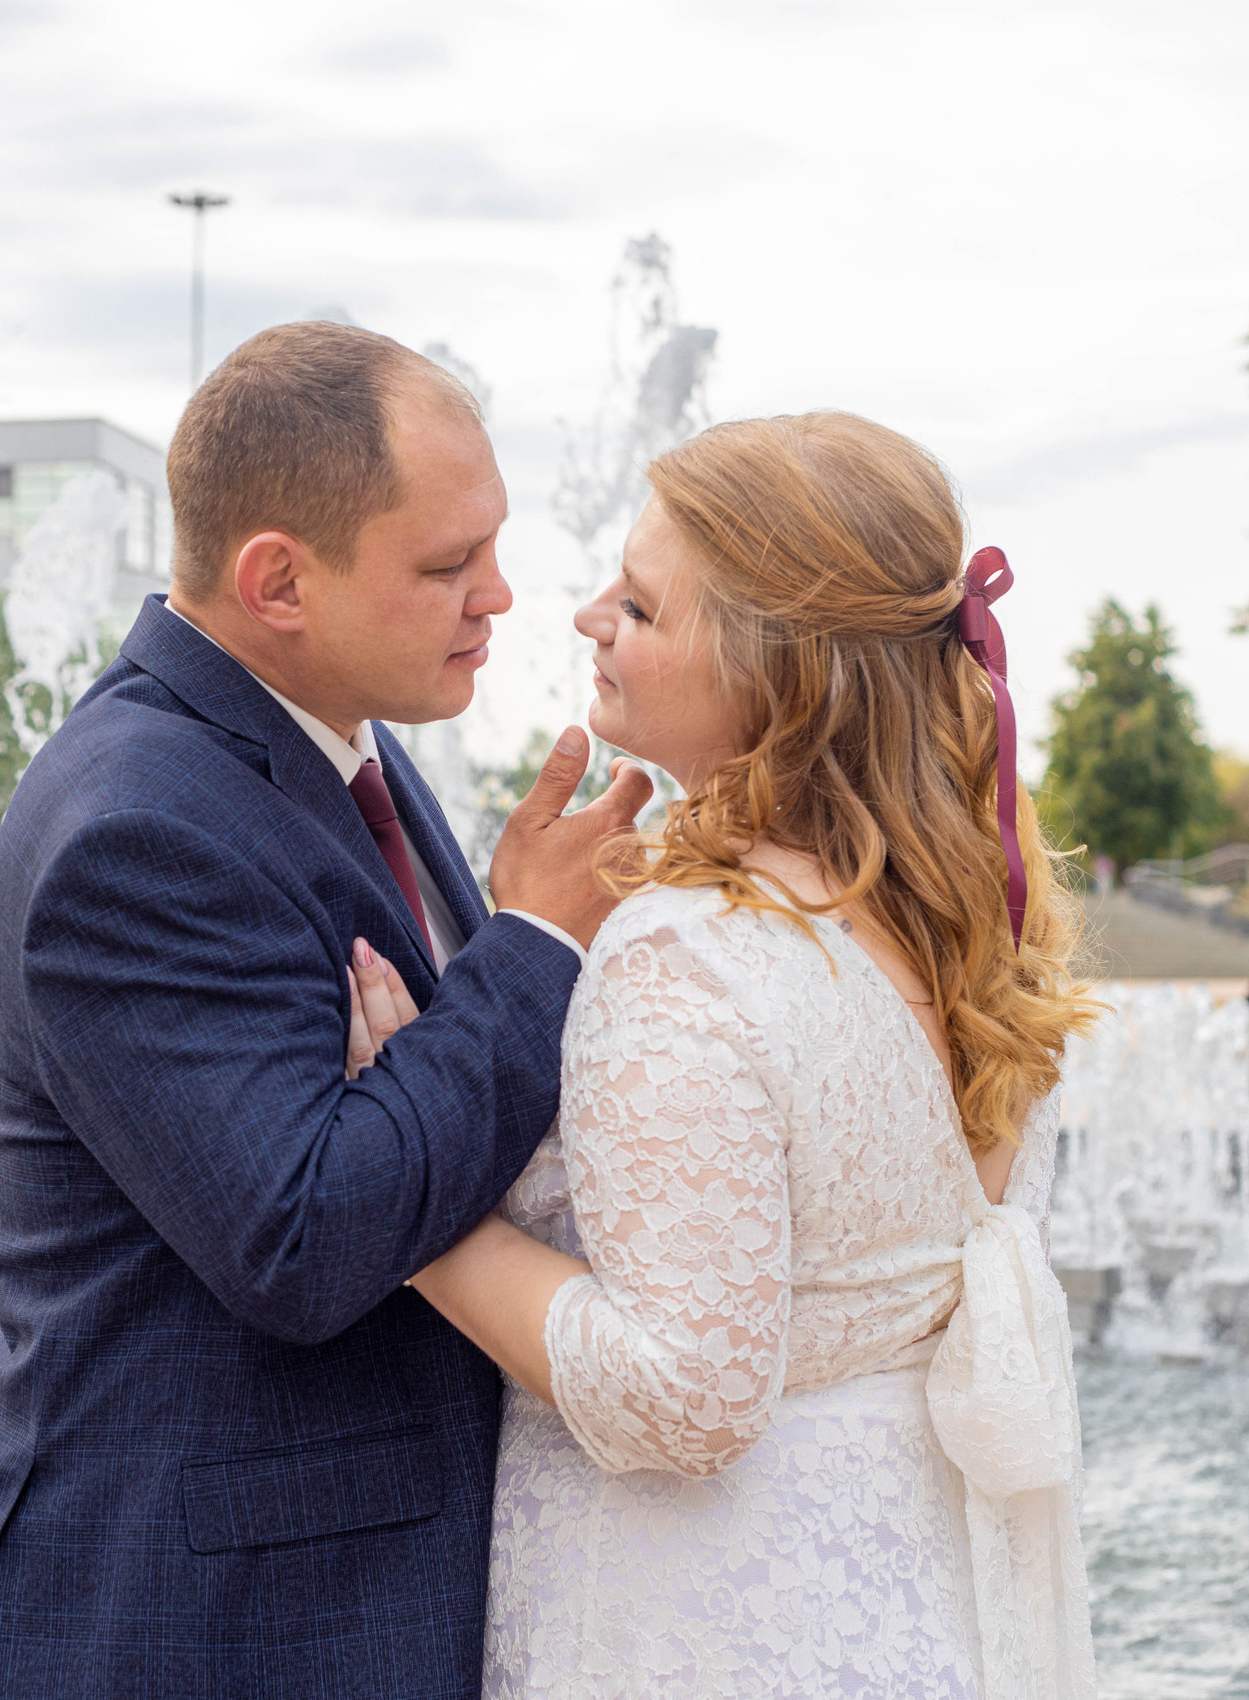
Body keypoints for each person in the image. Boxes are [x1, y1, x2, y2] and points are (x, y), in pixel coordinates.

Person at [0, 322, 652, 1699]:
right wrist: (533, 940)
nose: (500, 595)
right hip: (189, 1627)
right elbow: (303, 1234)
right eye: (444, 563)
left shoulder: (335, 738)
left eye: (491, 544)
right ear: (277, 579)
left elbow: (418, 1118)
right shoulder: (138, 824)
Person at [394, 412, 1102, 1697]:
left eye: (645, 609)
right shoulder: (966, 919)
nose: (588, 616)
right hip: (914, 1610)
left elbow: (684, 1396)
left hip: (701, 1630)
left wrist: (417, 1214)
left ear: (783, 675)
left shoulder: (690, 952)